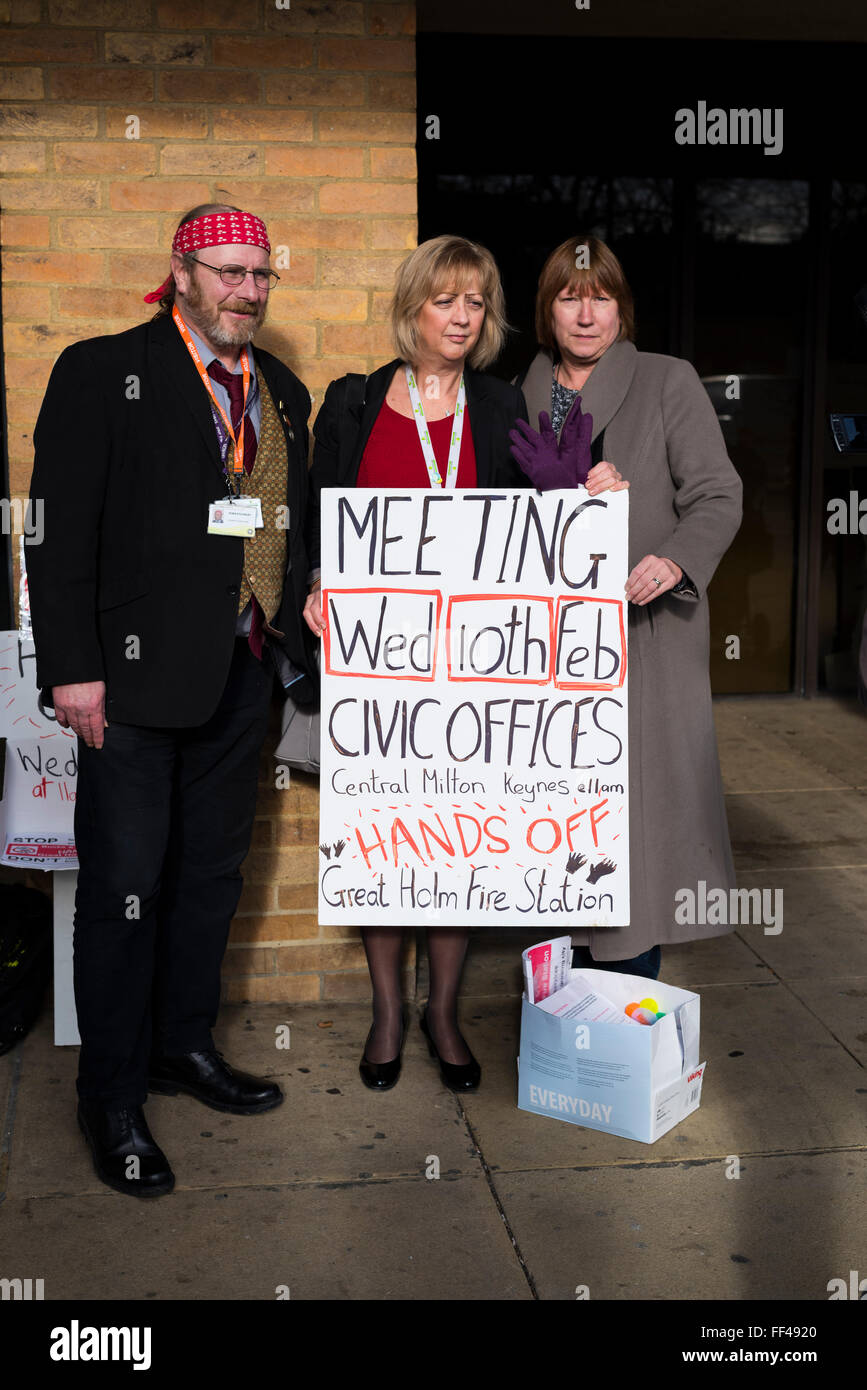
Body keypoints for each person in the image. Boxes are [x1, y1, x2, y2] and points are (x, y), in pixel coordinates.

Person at [27, 203, 317, 1198]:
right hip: (133, 685)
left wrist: (304, 594)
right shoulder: (101, 371)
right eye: (229, 271)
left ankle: (180, 1047)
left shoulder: (278, 388)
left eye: (261, 274)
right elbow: (56, 532)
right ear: (182, 273)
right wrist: (72, 669)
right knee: (122, 891)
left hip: (243, 672)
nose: (248, 289)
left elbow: (294, 515)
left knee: (208, 878)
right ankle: (110, 1098)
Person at [303, 235, 535, 1093]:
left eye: (475, 303)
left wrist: (594, 488)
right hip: (377, 666)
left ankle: (441, 1009)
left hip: (474, 667)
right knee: (383, 838)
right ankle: (387, 1011)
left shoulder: (505, 405)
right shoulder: (355, 402)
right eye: (446, 301)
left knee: (455, 842)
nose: (462, 317)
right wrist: (320, 580)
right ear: (412, 309)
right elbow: (319, 515)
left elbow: (539, 526)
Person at [511, 234, 742, 980]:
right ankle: (562, 1018)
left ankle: (623, 1022)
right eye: (569, 297)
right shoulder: (516, 394)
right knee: (558, 827)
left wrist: (673, 559)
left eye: (600, 297)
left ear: (621, 307)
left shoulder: (667, 381)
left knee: (635, 836)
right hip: (549, 649)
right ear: (546, 311)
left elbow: (717, 494)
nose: (585, 314)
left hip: (645, 639)